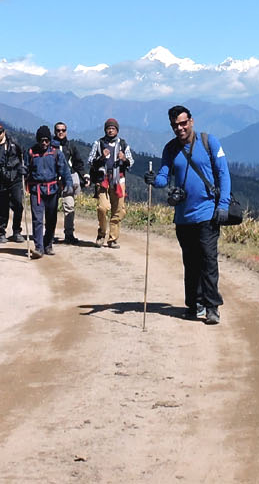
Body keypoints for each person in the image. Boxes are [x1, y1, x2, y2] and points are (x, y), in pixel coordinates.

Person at [150, 105, 230, 325]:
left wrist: (222, 205)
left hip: (207, 213)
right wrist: (154, 180)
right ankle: (194, 305)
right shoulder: (170, 148)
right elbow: (164, 177)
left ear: (191, 121)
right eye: (175, 125)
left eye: (183, 123)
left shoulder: (209, 142)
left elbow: (223, 173)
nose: (180, 128)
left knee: (208, 261)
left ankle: (212, 306)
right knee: (191, 262)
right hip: (183, 217)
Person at [87, 117, 133, 248]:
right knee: (103, 208)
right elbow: (90, 161)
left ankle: (112, 239)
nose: (111, 130)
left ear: (117, 130)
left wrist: (123, 159)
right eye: (108, 128)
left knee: (118, 210)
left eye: (113, 128)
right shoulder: (99, 143)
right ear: (105, 130)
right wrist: (101, 157)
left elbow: (131, 162)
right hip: (103, 180)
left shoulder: (123, 144)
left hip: (119, 180)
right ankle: (101, 233)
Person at [26, 125, 71, 258]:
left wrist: (68, 183)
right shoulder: (31, 152)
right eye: (41, 140)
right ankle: (39, 248)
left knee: (51, 219)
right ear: (38, 140)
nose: (44, 143)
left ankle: (48, 244)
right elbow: (24, 168)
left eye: (46, 140)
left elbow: (65, 170)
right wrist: (22, 170)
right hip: (37, 191)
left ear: (50, 140)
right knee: (37, 219)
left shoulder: (56, 153)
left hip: (52, 190)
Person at [0, 124, 26, 244]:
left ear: (4, 132)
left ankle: (17, 231)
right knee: (2, 207)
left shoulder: (13, 143)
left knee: (18, 205)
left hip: (15, 179)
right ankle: (1, 233)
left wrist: (23, 168)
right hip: (0, 181)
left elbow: (23, 155)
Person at [52, 122, 86, 245]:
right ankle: (50, 234)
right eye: (58, 130)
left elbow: (78, 163)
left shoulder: (71, 146)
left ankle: (69, 234)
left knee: (69, 207)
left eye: (63, 130)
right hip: (53, 181)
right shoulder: (50, 146)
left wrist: (84, 177)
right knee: (51, 208)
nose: (61, 132)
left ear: (66, 131)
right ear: (54, 131)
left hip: (68, 181)